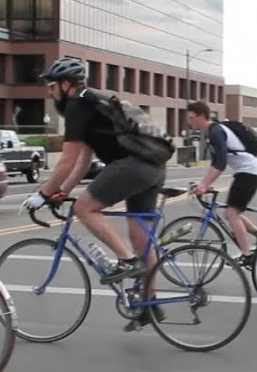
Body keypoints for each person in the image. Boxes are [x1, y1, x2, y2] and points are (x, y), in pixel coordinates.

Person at [22, 57, 167, 325]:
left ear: (66, 85)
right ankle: (151, 303)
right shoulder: (95, 103)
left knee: (84, 208)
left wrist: (43, 194)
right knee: (141, 238)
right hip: (153, 166)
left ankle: (126, 261)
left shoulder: (78, 105)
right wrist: (61, 191)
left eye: (51, 87)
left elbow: (67, 159)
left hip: (132, 165)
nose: (50, 93)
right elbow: (83, 161)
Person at [185, 101, 257, 267]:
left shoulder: (215, 132)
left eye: (191, 118)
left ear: (201, 117)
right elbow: (215, 162)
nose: (189, 121)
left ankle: (246, 254)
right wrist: (204, 183)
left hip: (249, 172)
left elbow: (221, 163)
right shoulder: (210, 132)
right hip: (246, 172)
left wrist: (204, 185)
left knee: (232, 213)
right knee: (231, 213)